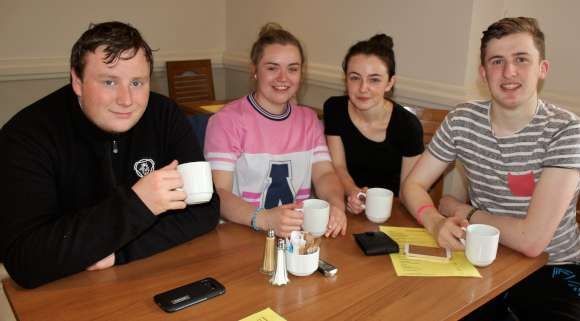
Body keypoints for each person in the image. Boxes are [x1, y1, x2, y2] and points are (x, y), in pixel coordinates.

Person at [402, 17, 580, 320]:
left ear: (542, 69)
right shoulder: (462, 119)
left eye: (521, 59)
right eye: (497, 61)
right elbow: (413, 186)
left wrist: (464, 211)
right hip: (479, 259)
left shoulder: (567, 130)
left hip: (554, 268)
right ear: (483, 73)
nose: (509, 72)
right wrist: (434, 222)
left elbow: (532, 241)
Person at [0, 21, 220, 289]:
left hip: (148, 276)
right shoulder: (27, 135)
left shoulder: (166, 116)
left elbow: (205, 210)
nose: (126, 99)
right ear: (77, 82)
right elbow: (26, 260)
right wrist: (139, 204)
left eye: (137, 82)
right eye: (109, 81)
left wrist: (121, 253)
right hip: (68, 290)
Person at [204, 23, 346, 238]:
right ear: (254, 70)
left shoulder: (309, 120)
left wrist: (336, 205)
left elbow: (325, 174)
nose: (283, 78)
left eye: (292, 68)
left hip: (297, 239)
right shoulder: (226, 121)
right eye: (272, 68)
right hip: (241, 234)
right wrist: (263, 219)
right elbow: (219, 194)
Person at [323, 34, 424, 214]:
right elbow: (338, 166)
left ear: (390, 83)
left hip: (390, 214)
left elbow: (408, 190)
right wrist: (353, 192)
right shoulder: (334, 109)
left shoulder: (407, 126)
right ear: (345, 79)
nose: (363, 88)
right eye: (355, 78)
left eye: (374, 79)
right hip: (343, 207)